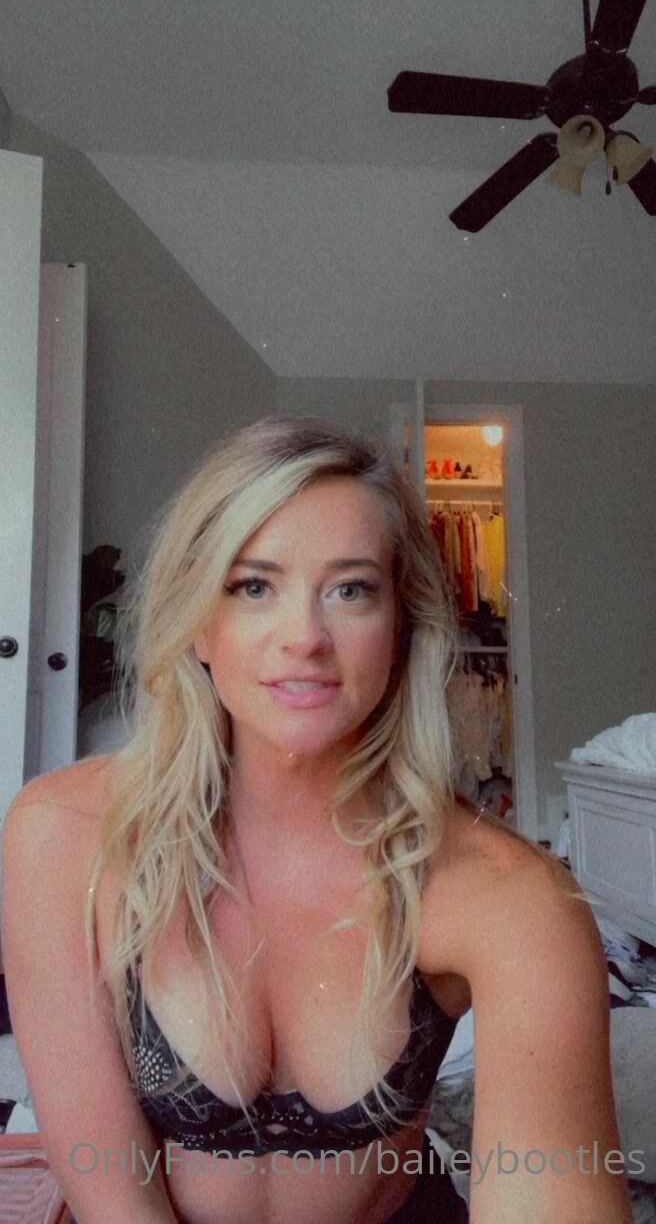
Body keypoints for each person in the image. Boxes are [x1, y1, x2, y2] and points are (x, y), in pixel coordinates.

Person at [1, 416, 631, 1224]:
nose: (304, 638)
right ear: (199, 623)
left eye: (351, 590)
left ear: (400, 628)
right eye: (253, 586)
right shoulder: (61, 834)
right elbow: (112, 1193)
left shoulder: (514, 900)